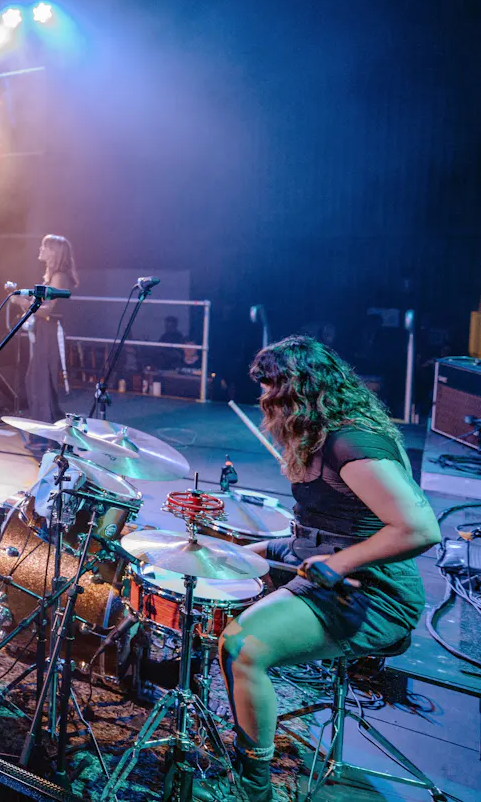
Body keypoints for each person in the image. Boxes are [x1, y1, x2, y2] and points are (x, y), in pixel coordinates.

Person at [203, 338, 441, 802]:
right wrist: (235, 548)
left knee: (240, 646)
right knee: (215, 562)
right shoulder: (318, 433)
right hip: (318, 559)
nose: (264, 400)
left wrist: (337, 563)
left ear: (299, 390)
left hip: (370, 591)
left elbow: (419, 529)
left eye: (271, 388)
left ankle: (254, 787)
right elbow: (322, 528)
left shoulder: (350, 443)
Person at [16, 234, 78, 453]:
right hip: (45, 333)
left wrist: (23, 303)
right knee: (36, 381)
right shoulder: (53, 276)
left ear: (54, 252)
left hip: (52, 333)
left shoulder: (60, 276)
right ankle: (46, 435)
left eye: (45, 246)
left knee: (43, 383)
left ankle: (50, 437)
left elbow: (48, 311)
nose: (40, 249)